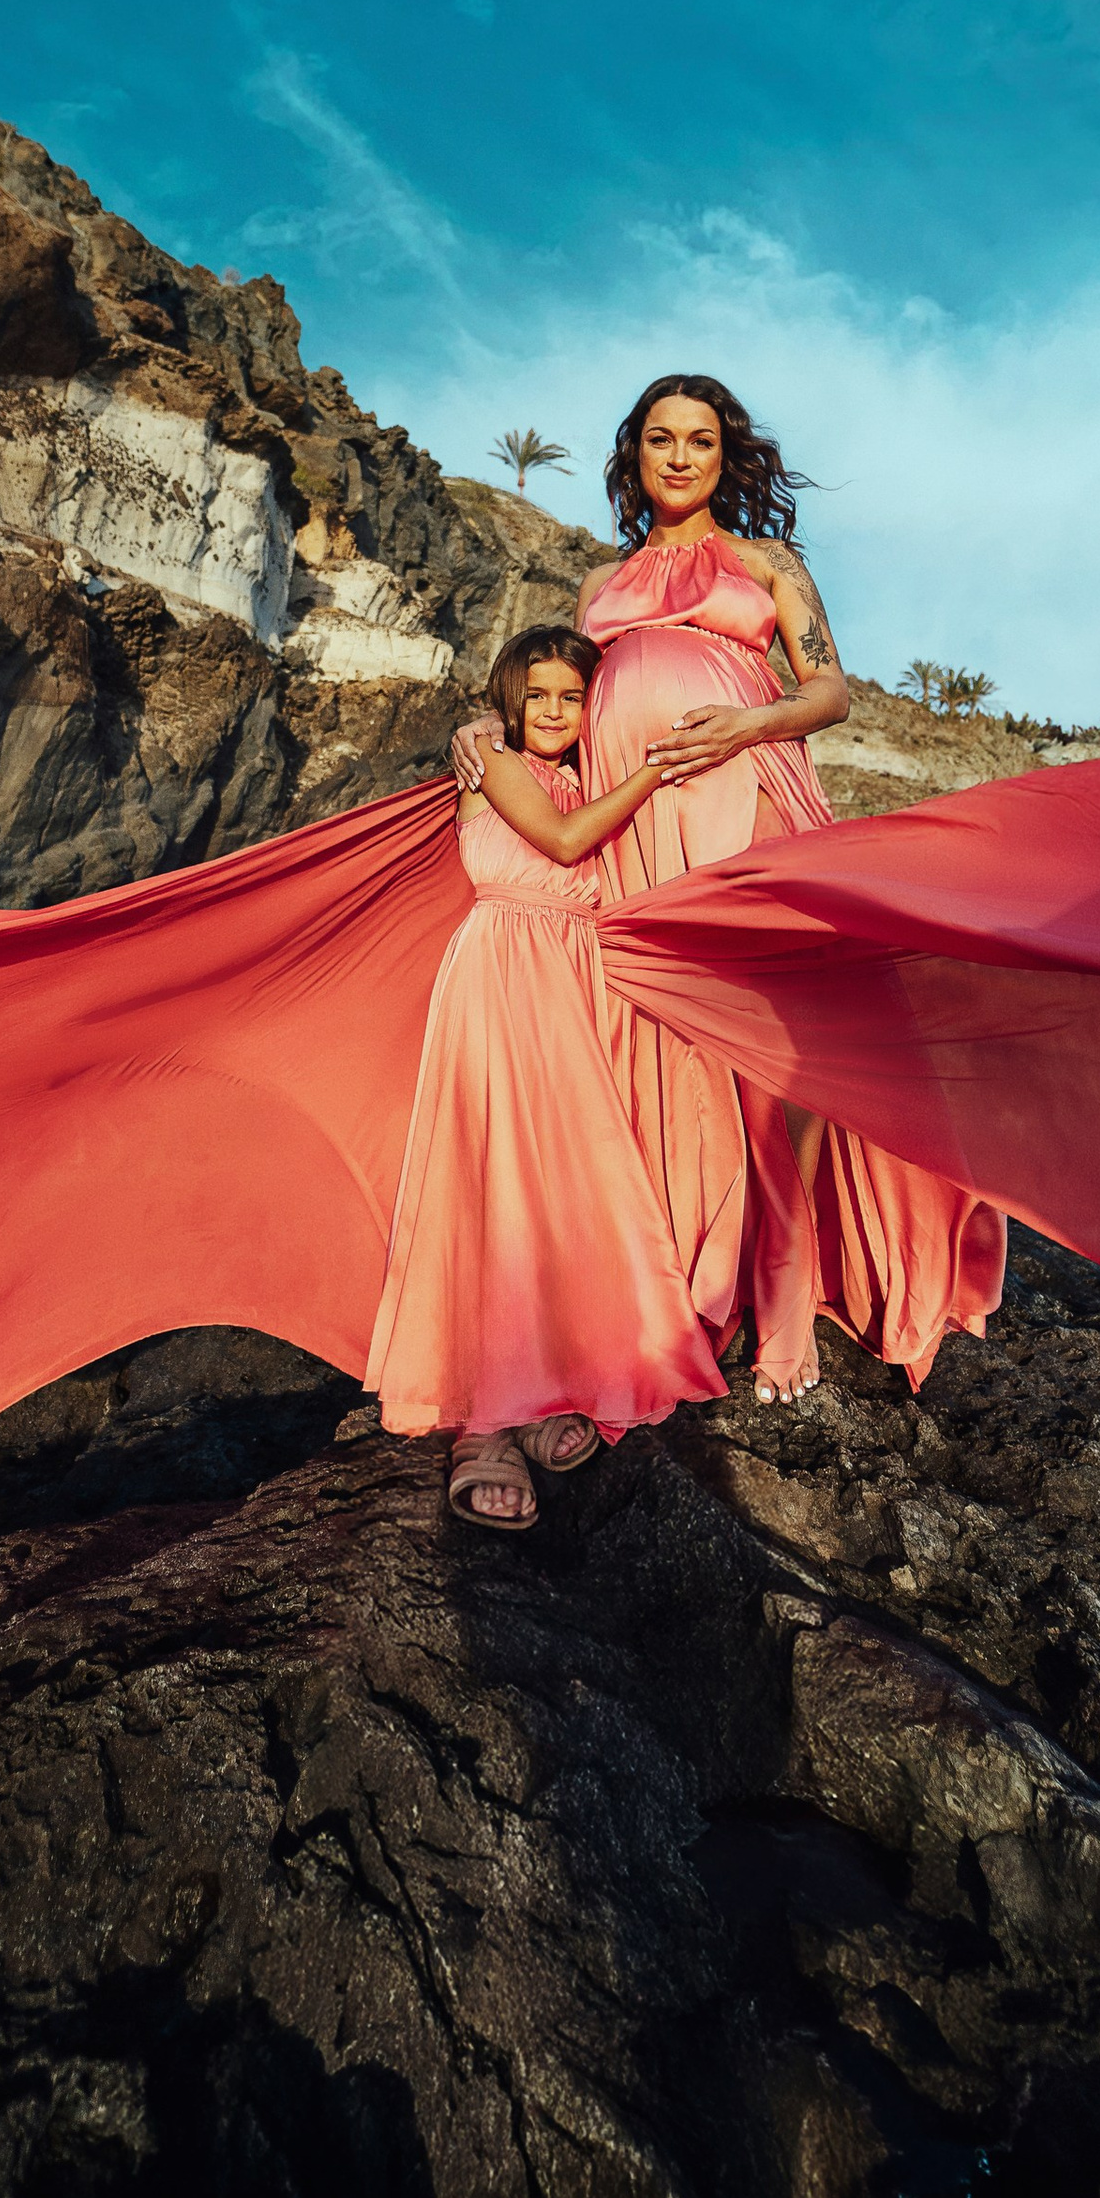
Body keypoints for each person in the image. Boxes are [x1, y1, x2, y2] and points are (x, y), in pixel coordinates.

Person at [460, 376, 1005, 1405]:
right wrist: (483, 734)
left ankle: (785, 1287)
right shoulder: (595, 586)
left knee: (774, 1042)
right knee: (663, 1051)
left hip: (750, 794)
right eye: (659, 439)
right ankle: (684, 1288)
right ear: (634, 457)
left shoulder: (766, 562)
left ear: (726, 457)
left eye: (698, 441)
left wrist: (744, 726)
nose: (678, 457)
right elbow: (559, 711)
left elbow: (829, 691)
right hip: (639, 829)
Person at [366, 627, 727, 1527]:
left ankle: (544, 1385)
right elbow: (565, 843)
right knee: (497, 1187)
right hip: (505, 975)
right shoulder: (494, 760)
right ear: (510, 703)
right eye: (540, 698)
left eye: (573, 696)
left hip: (573, 981)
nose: (557, 713)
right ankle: (482, 1422)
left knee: (568, 1186)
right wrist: (654, 771)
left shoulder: (581, 774)